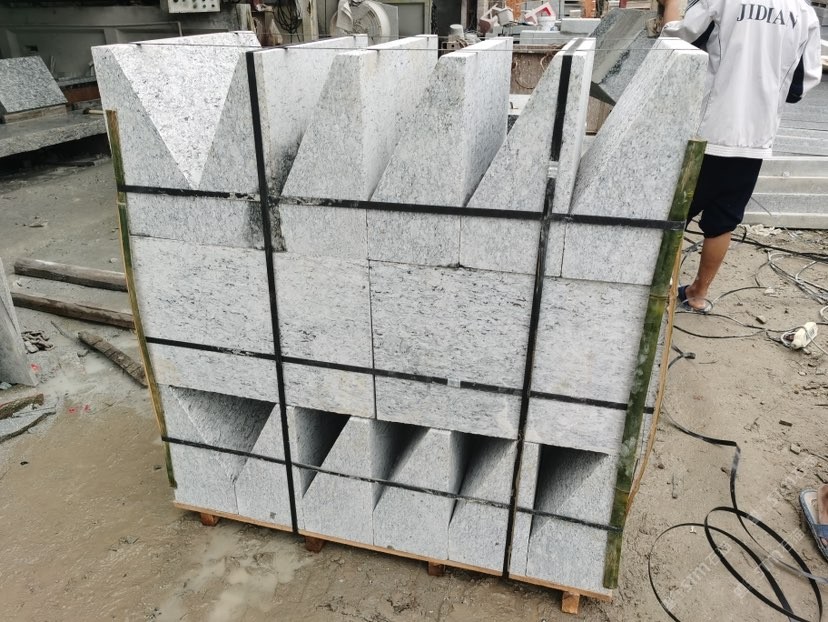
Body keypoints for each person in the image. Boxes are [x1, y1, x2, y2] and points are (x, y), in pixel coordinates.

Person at [660, 0, 822, 312]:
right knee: (724, 219)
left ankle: (657, 288)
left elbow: (678, 42)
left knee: (674, 213)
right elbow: (799, 87)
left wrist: (670, 7)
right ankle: (698, 294)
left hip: (707, 129)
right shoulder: (803, 13)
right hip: (755, 135)